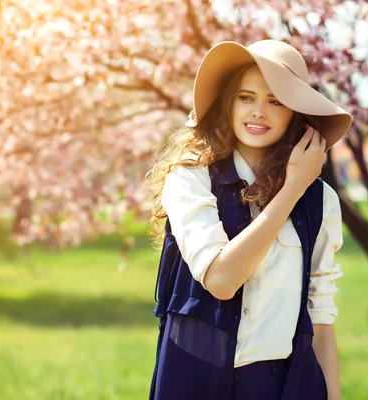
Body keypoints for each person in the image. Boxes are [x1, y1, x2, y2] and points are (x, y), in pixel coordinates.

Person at [145, 40, 352, 400]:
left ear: (295, 113)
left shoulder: (321, 201)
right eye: (246, 97)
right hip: (193, 378)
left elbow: (320, 320)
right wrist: (292, 189)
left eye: (276, 101)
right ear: (229, 102)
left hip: (278, 384)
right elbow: (222, 279)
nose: (259, 111)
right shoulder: (190, 179)